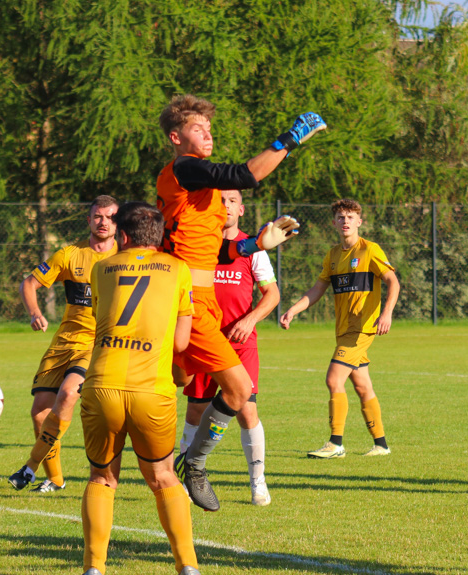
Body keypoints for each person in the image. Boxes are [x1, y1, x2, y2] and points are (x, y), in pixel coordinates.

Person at [157, 94, 325, 511]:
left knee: (193, 386)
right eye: (199, 129)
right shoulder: (183, 169)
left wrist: (254, 244)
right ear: (176, 138)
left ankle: (183, 462)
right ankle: (190, 464)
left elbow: (213, 253)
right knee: (235, 390)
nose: (208, 135)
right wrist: (292, 137)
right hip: (185, 300)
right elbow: (246, 174)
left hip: (203, 299)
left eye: (210, 129)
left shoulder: (208, 196)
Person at [79, 201, 197, 575]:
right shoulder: (178, 270)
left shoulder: (101, 269)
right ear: (159, 236)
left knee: (102, 477)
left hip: (101, 385)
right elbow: (180, 344)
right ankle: (188, 566)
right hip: (152, 389)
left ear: (122, 235)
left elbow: (103, 318)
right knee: (163, 477)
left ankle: (94, 568)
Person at [175, 189, 280, 507]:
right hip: (202, 341)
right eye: (220, 201)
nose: (226, 206)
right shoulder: (199, 246)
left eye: (232, 201)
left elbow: (272, 295)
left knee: (247, 408)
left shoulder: (254, 250)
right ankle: (186, 477)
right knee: (195, 410)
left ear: (242, 209)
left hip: (239, 344)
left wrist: (249, 321)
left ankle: (258, 482)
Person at [8, 196, 119, 492]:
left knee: (69, 394)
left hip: (97, 344)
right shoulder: (70, 255)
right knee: (40, 413)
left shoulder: (125, 258)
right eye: (97, 216)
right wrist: (35, 312)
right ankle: (55, 478)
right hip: (64, 342)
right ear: (89, 220)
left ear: (117, 223)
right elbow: (29, 283)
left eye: (109, 216)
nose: (103, 222)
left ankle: (29, 468)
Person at [279, 198, 400, 458]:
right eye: (341, 217)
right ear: (334, 222)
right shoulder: (333, 255)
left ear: (359, 221)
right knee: (363, 386)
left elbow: (393, 281)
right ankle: (381, 445)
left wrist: (387, 313)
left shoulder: (370, 250)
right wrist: (293, 310)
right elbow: (317, 290)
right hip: (344, 330)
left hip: (362, 329)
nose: (345, 221)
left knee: (333, 379)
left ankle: (336, 444)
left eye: (350, 216)